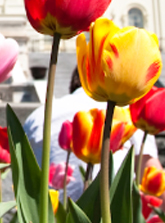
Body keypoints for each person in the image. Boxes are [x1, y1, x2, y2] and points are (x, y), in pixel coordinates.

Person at [23, 67, 159, 198]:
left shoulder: (39, 116)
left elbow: (24, 180)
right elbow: (152, 175)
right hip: (112, 217)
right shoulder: (129, 116)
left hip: (50, 215)